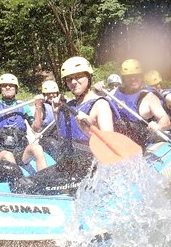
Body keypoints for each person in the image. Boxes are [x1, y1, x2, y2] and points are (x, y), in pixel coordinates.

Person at [14, 56, 118, 195]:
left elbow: (109, 146)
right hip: (65, 168)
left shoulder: (100, 104)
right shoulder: (69, 106)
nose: (73, 82)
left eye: (78, 77)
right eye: (69, 79)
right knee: (21, 185)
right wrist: (57, 113)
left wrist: (87, 130)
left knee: (28, 188)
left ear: (88, 77)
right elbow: (63, 136)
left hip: (88, 173)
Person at [0, 73, 48, 171]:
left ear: (16, 89)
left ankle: (46, 179)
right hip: (1, 151)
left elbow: (37, 128)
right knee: (9, 155)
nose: (8, 87)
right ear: (0, 89)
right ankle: (18, 181)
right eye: (4, 85)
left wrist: (38, 106)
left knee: (37, 148)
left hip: (21, 150)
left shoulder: (23, 106)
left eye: (11, 85)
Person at [109, 58, 170, 147]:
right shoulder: (114, 93)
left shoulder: (149, 97)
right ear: (123, 78)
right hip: (118, 142)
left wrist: (158, 126)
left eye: (136, 75)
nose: (133, 79)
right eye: (129, 76)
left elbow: (166, 120)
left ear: (141, 76)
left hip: (141, 144)